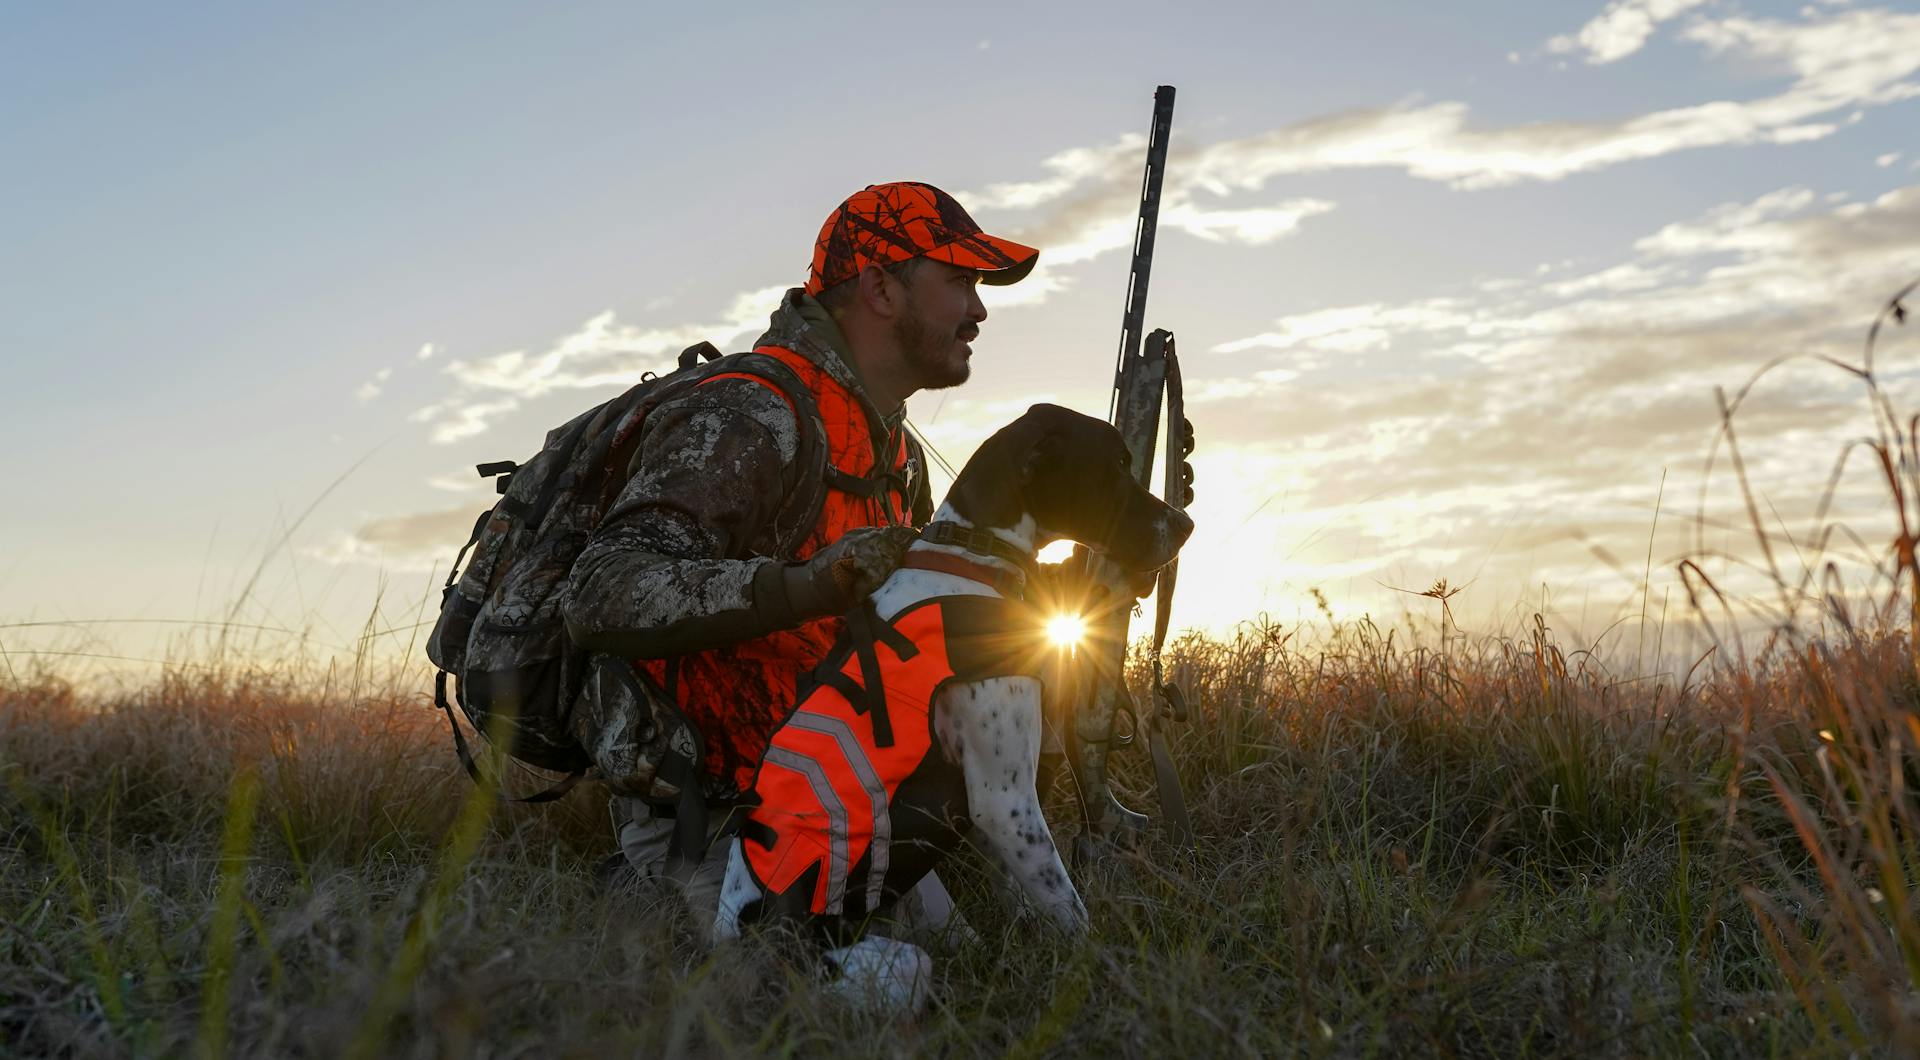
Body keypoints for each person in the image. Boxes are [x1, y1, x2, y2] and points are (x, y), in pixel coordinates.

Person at [561, 181, 1039, 913]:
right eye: (958, 279)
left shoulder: (894, 454)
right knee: (846, 986)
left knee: (956, 950)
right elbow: (600, 589)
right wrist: (805, 584)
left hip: (836, 796)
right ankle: (648, 890)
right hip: (718, 809)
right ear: (881, 287)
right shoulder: (753, 413)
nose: (978, 309)